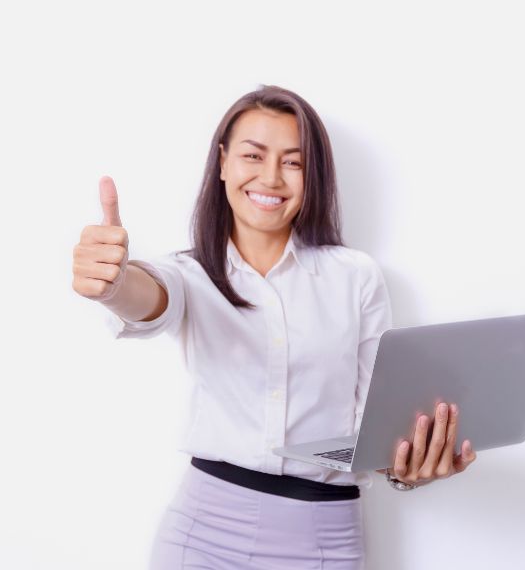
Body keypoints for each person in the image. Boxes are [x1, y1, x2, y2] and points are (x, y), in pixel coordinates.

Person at [72, 84, 477, 569]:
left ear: (314, 177)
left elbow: (375, 431)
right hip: (201, 537)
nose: (271, 177)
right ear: (222, 163)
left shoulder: (356, 277)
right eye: (253, 155)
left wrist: (409, 468)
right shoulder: (191, 274)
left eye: (293, 162)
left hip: (324, 543)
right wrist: (114, 284)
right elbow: (150, 295)